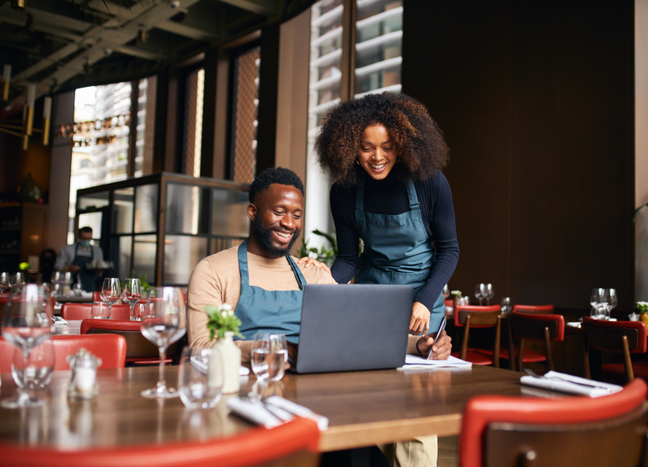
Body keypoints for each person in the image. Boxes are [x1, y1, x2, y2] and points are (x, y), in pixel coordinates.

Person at [187, 167, 451, 362]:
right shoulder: (213, 271)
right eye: (279, 212)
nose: (289, 223)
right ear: (253, 211)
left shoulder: (313, 274)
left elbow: (358, 334)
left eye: (297, 215)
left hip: (311, 392)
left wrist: (420, 345)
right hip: (243, 388)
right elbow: (200, 347)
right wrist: (266, 350)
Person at [303, 92, 460, 340]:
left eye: (387, 147)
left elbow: (449, 249)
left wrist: (426, 301)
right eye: (366, 148)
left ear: (402, 145)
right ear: (351, 148)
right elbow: (348, 259)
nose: (377, 157)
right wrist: (325, 281)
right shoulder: (344, 191)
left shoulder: (430, 183)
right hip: (369, 298)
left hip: (420, 303)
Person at [54, 226, 104, 292]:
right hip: (70, 286)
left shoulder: (97, 251)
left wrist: (98, 270)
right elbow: (57, 266)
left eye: (88, 238)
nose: (86, 240)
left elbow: (100, 272)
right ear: (79, 237)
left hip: (90, 286)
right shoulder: (67, 249)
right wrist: (69, 268)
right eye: (84, 238)